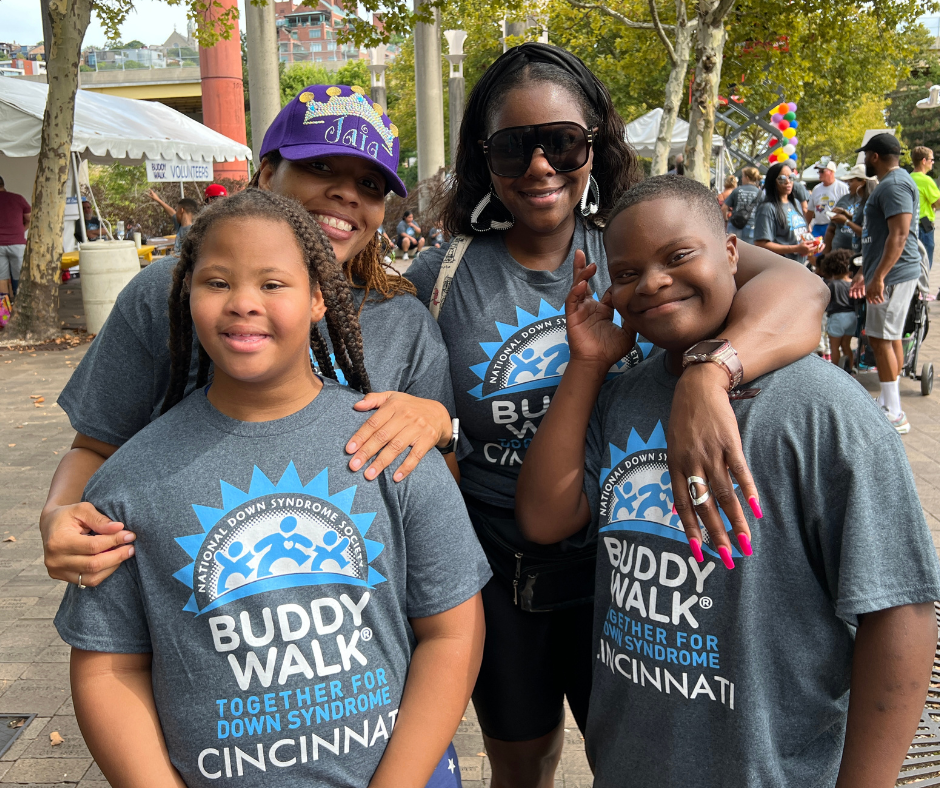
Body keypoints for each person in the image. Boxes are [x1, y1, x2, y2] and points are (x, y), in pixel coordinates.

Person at [404, 42, 828, 788]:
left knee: (637, 753)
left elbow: (800, 291)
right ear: (485, 158)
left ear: (594, 144)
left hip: (633, 561)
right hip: (505, 570)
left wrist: (708, 372)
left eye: (562, 143)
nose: (540, 167)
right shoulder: (440, 277)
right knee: (524, 761)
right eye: (515, 146)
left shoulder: (637, 243)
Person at [54, 189, 490, 788]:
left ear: (318, 298)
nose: (243, 304)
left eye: (272, 284)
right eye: (216, 282)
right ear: (186, 295)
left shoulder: (392, 448)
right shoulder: (130, 481)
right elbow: (108, 669)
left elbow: (453, 628)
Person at [515, 175, 940, 788]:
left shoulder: (821, 410)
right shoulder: (624, 395)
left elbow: (900, 608)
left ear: (733, 255)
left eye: (678, 256)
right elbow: (546, 518)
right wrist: (586, 363)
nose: (653, 281)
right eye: (626, 272)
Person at [42, 85, 461, 600]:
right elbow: (95, 444)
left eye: (370, 184)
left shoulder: (402, 321)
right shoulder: (170, 294)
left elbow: (438, 496)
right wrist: (59, 514)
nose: (348, 194)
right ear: (266, 174)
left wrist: (439, 426)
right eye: (321, 167)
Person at [850, 132, 922, 434]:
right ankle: (889, 400)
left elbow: (900, 235)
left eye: (867, 155)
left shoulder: (893, 185)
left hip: (893, 275)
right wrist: (868, 271)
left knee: (880, 339)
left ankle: (895, 411)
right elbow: (883, 237)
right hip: (890, 273)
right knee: (888, 338)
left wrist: (878, 276)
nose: (865, 160)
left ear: (875, 156)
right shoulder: (894, 183)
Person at [753, 161, 816, 264]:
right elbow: (761, 244)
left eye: (791, 177)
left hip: (799, 265)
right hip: (781, 268)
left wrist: (813, 244)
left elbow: (799, 234)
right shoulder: (767, 208)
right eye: (781, 179)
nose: (788, 182)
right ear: (772, 181)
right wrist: (795, 248)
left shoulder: (795, 203)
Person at [819, 248, 858, 368]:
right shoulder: (853, 284)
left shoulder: (832, 284)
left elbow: (825, 301)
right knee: (846, 345)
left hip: (836, 317)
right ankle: (850, 372)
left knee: (834, 347)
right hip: (852, 317)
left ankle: (835, 371)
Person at [825, 164, 868, 254]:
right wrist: (846, 214)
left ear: (863, 182)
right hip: (838, 254)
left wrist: (846, 221)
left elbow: (866, 232)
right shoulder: (844, 199)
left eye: (851, 181)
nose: (848, 184)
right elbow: (830, 230)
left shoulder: (871, 203)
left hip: (858, 256)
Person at [0, 174, 30, 299]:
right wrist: (20, 231)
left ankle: (4, 308)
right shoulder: (18, 198)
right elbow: (29, 218)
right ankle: (20, 304)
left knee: (1, 278)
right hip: (17, 243)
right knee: (20, 276)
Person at [910, 145, 939, 267]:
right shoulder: (926, 180)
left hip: (911, 226)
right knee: (925, 264)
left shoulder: (908, 177)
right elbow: (938, 202)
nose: (932, 163)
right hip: (924, 225)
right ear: (924, 161)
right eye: (931, 160)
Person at [809, 161, 849, 239]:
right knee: (815, 250)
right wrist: (807, 226)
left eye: (822, 171)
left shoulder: (843, 188)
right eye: (819, 171)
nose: (819, 174)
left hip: (835, 226)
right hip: (818, 227)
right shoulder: (816, 189)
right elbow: (810, 211)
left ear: (831, 172)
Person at [722, 167, 761, 243]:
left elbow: (724, 208)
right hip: (752, 227)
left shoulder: (737, 190)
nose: (741, 179)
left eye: (742, 176)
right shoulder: (760, 193)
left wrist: (726, 220)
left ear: (746, 177)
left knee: (732, 249)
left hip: (735, 225)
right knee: (749, 252)